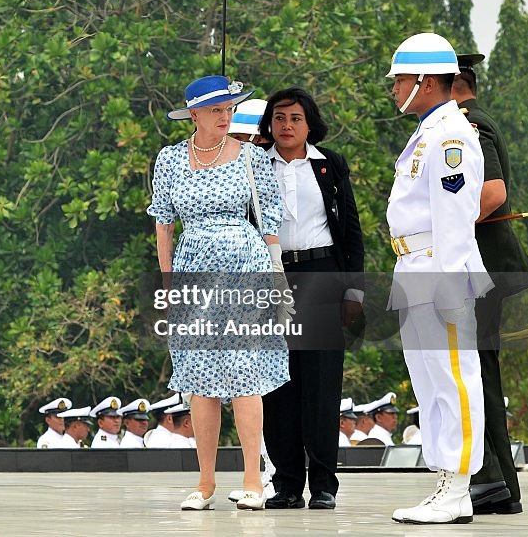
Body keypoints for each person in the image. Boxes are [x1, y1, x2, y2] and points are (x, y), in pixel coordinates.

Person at [148, 75, 290, 511]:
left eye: (229, 109)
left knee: (245, 370)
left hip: (244, 263)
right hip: (194, 267)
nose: (225, 116)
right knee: (198, 377)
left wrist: (277, 277)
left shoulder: (250, 157)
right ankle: (205, 481)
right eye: (216, 110)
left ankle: (252, 478)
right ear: (194, 115)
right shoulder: (171, 159)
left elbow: (269, 222)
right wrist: (169, 280)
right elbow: (163, 221)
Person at [386, 32, 493, 525]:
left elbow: (453, 216)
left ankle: (459, 486)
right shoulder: (429, 131)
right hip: (414, 266)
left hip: (438, 267)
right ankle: (445, 483)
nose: (394, 88)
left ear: (426, 82)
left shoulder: (450, 134)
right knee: (430, 382)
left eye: (400, 79)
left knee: (454, 378)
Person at [258, 87, 365, 511]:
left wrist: (353, 289)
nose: (287, 126)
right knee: (277, 384)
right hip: (271, 278)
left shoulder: (330, 165)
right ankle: (285, 483)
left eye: (296, 118)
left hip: (322, 275)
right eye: (280, 118)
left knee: (321, 384)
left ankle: (323, 483)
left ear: (309, 123)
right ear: (269, 123)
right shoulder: (252, 166)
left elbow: (351, 231)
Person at [452, 53, 528, 515]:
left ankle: (491, 482)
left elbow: (492, 192)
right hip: (479, 268)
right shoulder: (471, 120)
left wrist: (445, 231)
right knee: (478, 373)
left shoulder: (468, 125)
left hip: (477, 268)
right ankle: (498, 485)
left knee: (472, 373)